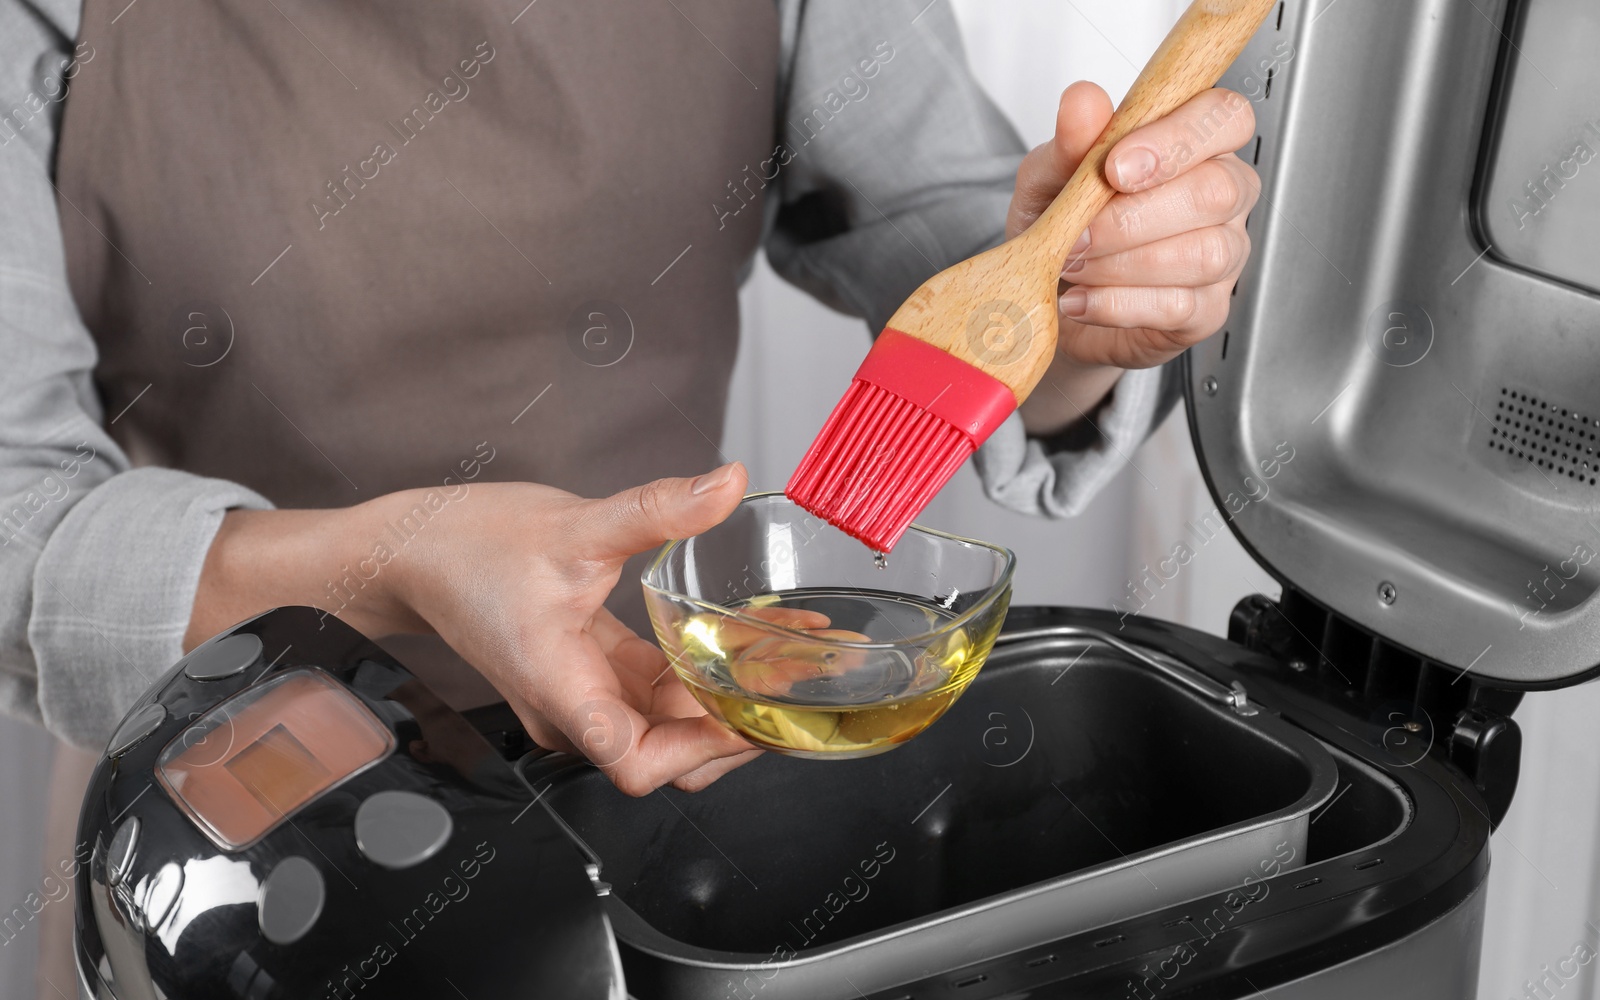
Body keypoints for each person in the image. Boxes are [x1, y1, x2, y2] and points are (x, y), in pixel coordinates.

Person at [1, 0, 1259, 797]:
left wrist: (1094, 298)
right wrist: (385, 566)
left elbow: (962, 247)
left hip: (639, 759)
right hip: (208, 791)